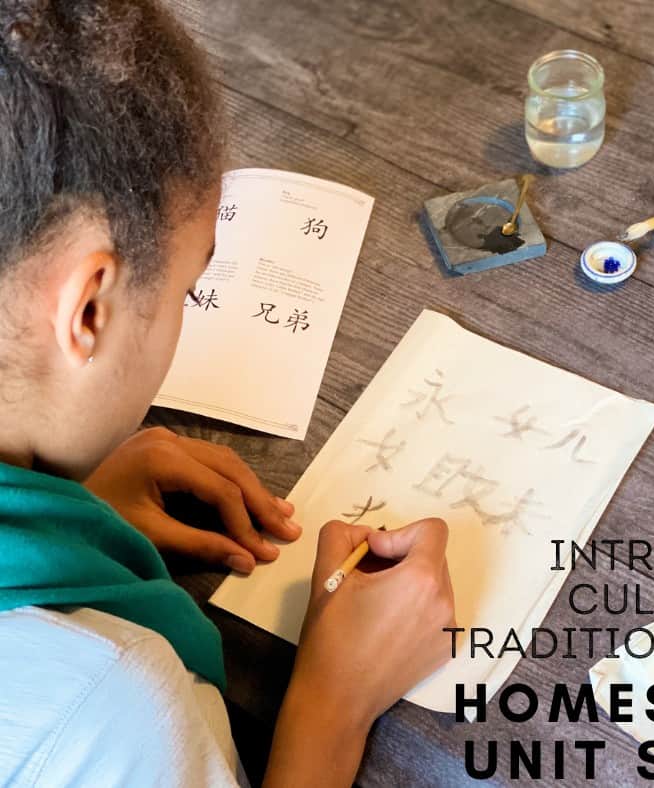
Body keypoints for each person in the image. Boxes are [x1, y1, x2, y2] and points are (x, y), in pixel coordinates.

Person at [0, 1, 455, 786]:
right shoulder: (104, 703)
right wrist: (333, 701)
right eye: (187, 288)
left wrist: (77, 512)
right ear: (89, 309)